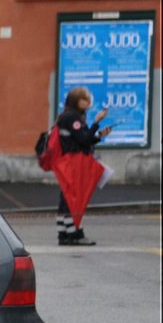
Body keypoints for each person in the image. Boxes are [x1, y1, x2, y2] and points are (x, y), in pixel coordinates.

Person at [53, 86, 110, 246]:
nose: (88, 101)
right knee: (74, 198)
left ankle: (64, 233)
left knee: (66, 197)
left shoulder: (70, 116)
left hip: (68, 160)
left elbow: (84, 139)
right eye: (85, 98)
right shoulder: (73, 118)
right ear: (76, 101)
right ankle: (74, 235)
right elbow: (83, 141)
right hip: (74, 162)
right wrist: (96, 123)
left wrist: (98, 136)